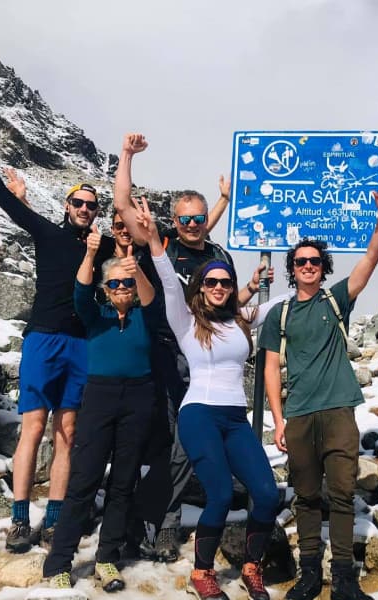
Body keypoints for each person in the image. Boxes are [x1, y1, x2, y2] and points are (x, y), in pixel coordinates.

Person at [0, 100, 115, 552]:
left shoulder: (101, 247)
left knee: (68, 432)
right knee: (33, 427)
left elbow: (141, 240)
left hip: (81, 343)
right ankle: (21, 518)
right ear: (67, 206)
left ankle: (58, 517)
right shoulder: (47, 233)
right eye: (79, 203)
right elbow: (2, 200)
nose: (85, 208)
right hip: (43, 337)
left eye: (91, 205)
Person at [113, 133, 268, 562]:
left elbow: (230, 305)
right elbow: (124, 205)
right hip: (164, 351)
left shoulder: (217, 254)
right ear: (174, 222)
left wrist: (252, 290)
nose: (192, 225)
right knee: (170, 445)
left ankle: (155, 520)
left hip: (207, 359)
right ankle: (158, 522)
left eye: (199, 218)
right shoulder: (161, 244)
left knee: (181, 446)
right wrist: (127, 155)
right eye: (184, 220)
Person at [127, 200, 285, 600]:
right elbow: (167, 279)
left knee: (267, 494)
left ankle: (251, 566)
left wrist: (310, 282)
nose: (218, 287)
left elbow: (280, 305)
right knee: (217, 494)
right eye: (211, 281)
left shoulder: (240, 320)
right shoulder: (185, 319)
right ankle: (202, 572)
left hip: (235, 419)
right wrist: (152, 241)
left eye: (225, 283)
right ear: (200, 287)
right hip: (198, 414)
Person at [260, 181, 378, 600]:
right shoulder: (279, 314)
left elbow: (371, 261)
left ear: (324, 266)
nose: (308, 267)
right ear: (291, 268)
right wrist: (278, 421)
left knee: (339, 494)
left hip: (338, 412)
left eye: (315, 261)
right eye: (300, 262)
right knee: (305, 496)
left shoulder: (336, 301)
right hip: (298, 416)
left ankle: (343, 580)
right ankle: (309, 574)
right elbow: (269, 369)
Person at [42, 223, 158, 591]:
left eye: (126, 284)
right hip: (100, 397)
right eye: (115, 285)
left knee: (124, 483)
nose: (122, 289)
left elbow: (152, 297)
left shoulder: (145, 315)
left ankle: (107, 558)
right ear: (105, 291)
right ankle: (59, 561)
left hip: (139, 397)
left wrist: (134, 267)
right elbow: (79, 291)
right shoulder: (96, 317)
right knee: (84, 481)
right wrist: (92, 255)